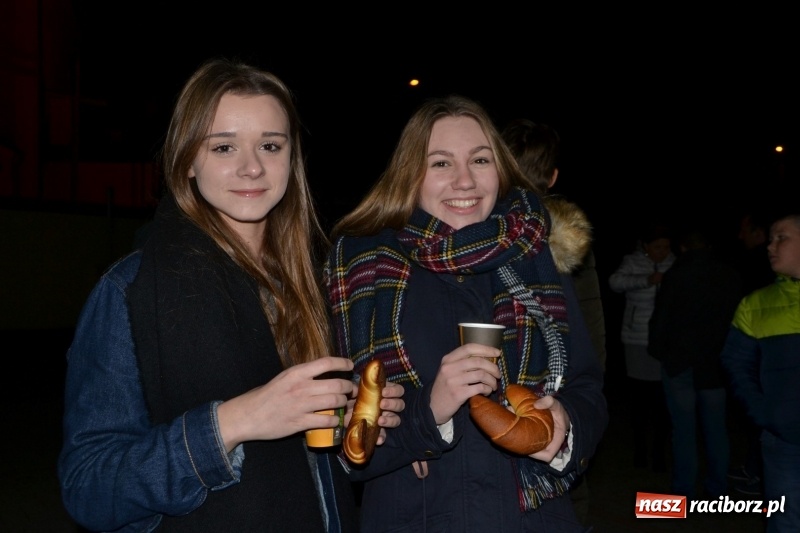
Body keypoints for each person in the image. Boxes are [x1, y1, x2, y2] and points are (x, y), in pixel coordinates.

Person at [57, 58, 404, 533]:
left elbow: (314, 469)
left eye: (270, 145)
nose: (252, 167)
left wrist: (348, 429)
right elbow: (89, 489)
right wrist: (233, 423)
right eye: (224, 147)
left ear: (291, 159)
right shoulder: (129, 290)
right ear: (188, 162)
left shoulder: (307, 285)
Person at [325, 95, 607, 532]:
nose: (464, 181)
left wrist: (565, 424)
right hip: (413, 516)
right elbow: (339, 438)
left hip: (533, 518)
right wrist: (427, 414)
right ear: (411, 174)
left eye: (480, 160)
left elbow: (588, 386)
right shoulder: (363, 270)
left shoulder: (537, 256)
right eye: (440, 163)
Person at [501, 118, 605, 525]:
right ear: (554, 176)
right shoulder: (571, 236)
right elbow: (592, 326)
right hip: (560, 389)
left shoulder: (478, 235)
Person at [648, 227, 742, 499]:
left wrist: (660, 351)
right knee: (716, 428)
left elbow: (662, 318)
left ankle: (684, 491)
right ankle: (716, 489)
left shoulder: (677, 275)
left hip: (680, 363)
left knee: (684, 430)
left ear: (683, 248)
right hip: (715, 364)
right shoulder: (730, 275)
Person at [722, 210, 800, 533]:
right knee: (785, 523)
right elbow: (735, 363)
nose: (770, 246)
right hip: (784, 444)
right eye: (769, 239)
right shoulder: (755, 304)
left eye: (781, 238)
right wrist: (766, 414)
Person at [608, 223, 675, 470]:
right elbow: (615, 282)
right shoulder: (632, 261)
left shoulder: (675, 263)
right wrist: (647, 280)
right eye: (658, 247)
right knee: (640, 400)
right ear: (646, 246)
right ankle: (640, 450)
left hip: (666, 343)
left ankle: (658, 452)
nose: (663, 251)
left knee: (662, 400)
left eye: (667, 247)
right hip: (637, 340)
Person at [727, 209, 775, 495]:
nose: (739, 236)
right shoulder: (753, 264)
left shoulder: (761, 265)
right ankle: (755, 469)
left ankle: (759, 476)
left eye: (745, 230)